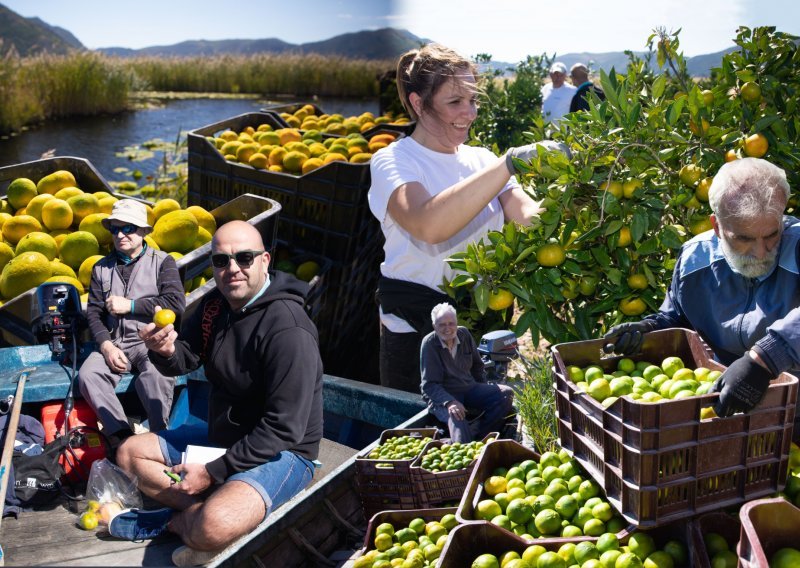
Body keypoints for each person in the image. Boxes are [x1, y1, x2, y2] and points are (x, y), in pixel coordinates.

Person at [110, 221, 323, 566]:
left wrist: (213, 470)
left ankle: (183, 519)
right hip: (223, 435)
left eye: (244, 258)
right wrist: (165, 351)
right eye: (221, 261)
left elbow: (285, 428)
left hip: (283, 451)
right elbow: (188, 356)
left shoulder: (289, 328)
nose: (233, 269)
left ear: (265, 261)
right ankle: (209, 512)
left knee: (213, 525)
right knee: (130, 453)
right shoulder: (214, 306)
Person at [369, 42, 564, 393]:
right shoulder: (394, 161)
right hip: (417, 336)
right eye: (455, 102)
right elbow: (429, 224)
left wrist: (575, 185)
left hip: (480, 332)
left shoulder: (482, 160)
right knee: (424, 438)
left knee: (483, 429)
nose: (470, 113)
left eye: (473, 100)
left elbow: (530, 219)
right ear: (418, 103)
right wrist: (508, 163)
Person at [603, 158, 800, 421]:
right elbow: (679, 316)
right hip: (731, 401)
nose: (761, 251)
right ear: (717, 226)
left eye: (772, 234)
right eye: (744, 238)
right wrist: (651, 328)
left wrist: (765, 358)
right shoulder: (696, 260)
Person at [79, 199, 185, 447]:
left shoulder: (163, 262)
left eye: (128, 228)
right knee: (87, 375)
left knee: (156, 375)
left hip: (151, 340)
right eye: (115, 229)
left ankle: (159, 438)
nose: (120, 234)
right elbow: (93, 313)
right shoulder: (100, 268)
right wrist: (106, 346)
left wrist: (132, 306)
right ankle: (122, 437)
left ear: (144, 231)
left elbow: (175, 304)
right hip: (116, 340)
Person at [420, 303, 514, 442]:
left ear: (457, 323)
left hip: (468, 388)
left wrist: (483, 390)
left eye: (451, 323)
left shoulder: (464, 334)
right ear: (434, 326)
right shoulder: (429, 344)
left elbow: (477, 366)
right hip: (443, 396)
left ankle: (481, 439)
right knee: (457, 417)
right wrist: (450, 402)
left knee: (505, 394)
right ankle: (463, 451)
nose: (448, 328)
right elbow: (429, 385)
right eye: (442, 325)